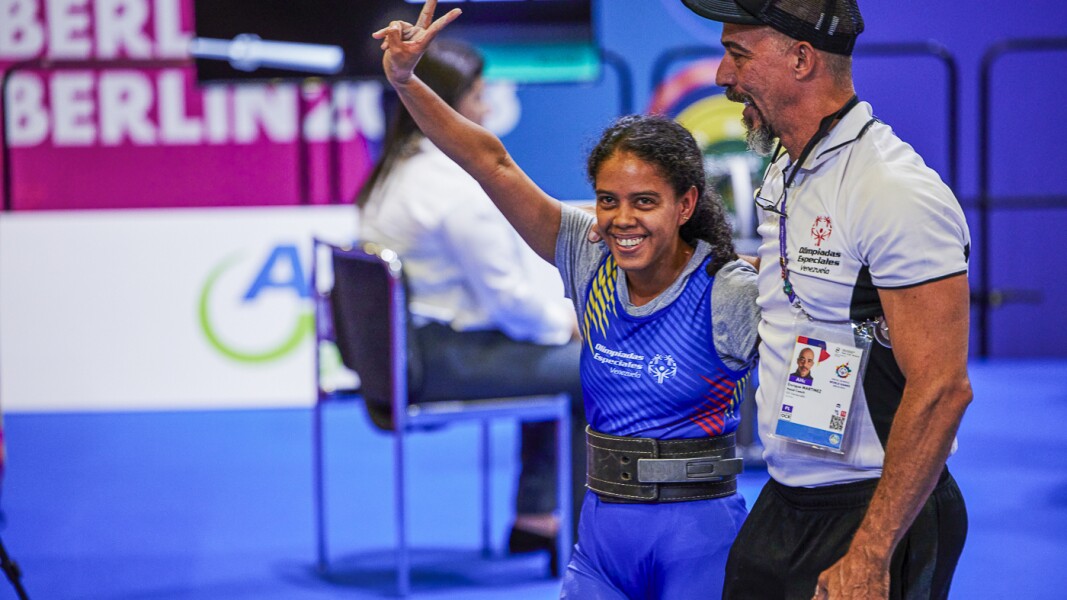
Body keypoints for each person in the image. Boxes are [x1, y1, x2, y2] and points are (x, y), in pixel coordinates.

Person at [372, 4, 761, 598]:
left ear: (685, 204)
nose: (621, 220)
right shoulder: (587, 255)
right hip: (599, 549)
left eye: (644, 202)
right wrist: (406, 81)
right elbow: (490, 162)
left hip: (700, 543)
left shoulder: (730, 288)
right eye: (607, 200)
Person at [682, 1, 973, 598]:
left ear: (801, 58)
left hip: (874, 511)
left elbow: (943, 389)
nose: (721, 77)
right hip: (790, 495)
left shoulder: (893, 190)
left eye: (738, 54)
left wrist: (870, 556)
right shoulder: (791, 164)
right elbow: (803, 286)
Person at [355, 37, 586, 573]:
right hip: (440, 358)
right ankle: (587, 547)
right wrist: (567, 324)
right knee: (591, 369)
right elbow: (508, 302)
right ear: (442, 102)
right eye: (478, 96)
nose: (487, 109)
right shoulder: (455, 188)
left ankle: (535, 518)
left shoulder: (397, 168)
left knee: (549, 356)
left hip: (408, 351)